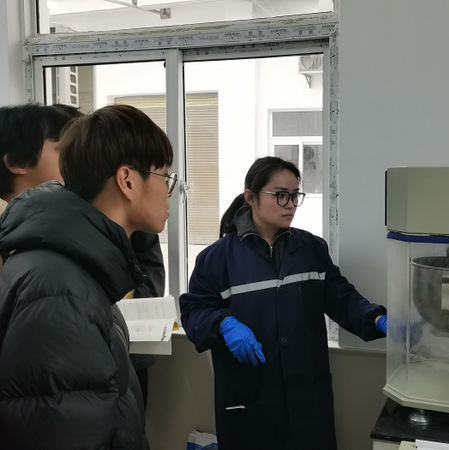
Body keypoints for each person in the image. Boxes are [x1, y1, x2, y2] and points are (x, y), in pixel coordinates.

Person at [179, 156, 388, 450]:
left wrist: (377, 318)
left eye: (294, 195)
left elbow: (341, 297)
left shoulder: (311, 249)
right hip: (251, 401)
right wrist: (223, 323)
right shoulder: (217, 259)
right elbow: (194, 311)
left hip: (307, 400)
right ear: (250, 197)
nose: (289, 204)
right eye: (280, 195)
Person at [0, 104, 175, 449]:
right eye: (164, 177)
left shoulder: (78, 268)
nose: (170, 192)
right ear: (127, 180)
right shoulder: (61, 289)